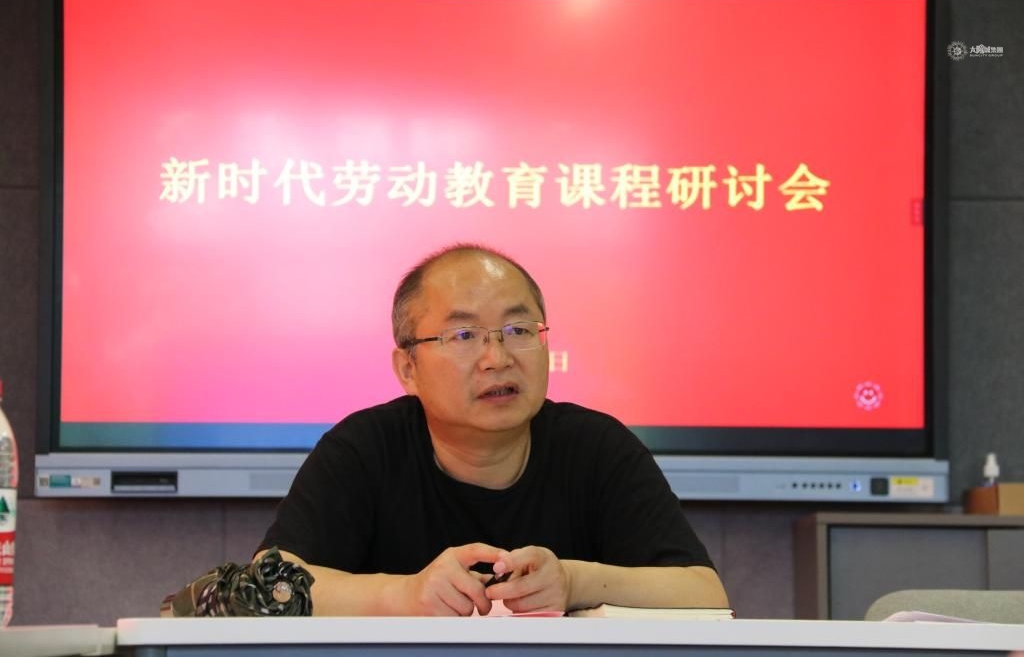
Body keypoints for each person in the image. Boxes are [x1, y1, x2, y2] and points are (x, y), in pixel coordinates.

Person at [257, 243, 728, 616]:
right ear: (408, 369)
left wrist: (573, 581)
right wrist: (405, 595)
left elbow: (704, 593)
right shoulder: (364, 449)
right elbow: (263, 586)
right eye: (464, 336)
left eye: (519, 330)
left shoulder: (596, 447)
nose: (497, 359)